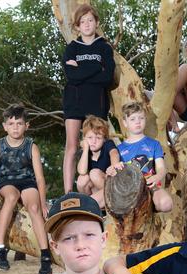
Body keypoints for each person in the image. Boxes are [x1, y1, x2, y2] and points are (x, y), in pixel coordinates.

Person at [0, 104, 52, 274]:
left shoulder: (31, 146)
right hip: (8, 182)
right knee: (11, 197)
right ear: (5, 126)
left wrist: (43, 204)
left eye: (19, 123)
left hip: (28, 182)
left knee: (34, 209)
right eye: (11, 124)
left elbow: (40, 178)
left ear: (26, 126)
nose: (15, 127)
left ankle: (45, 256)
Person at [62, 4, 116, 194]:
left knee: (99, 144)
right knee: (72, 146)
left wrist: (81, 69)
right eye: (82, 21)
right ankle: (68, 193)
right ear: (77, 26)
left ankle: (101, 187)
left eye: (90, 20)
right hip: (74, 102)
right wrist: (96, 67)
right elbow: (71, 76)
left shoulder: (104, 47)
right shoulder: (72, 48)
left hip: (97, 102)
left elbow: (107, 76)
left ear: (97, 23)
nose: (86, 24)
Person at [106, 102, 173, 212]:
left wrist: (157, 177)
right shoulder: (119, 149)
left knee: (166, 204)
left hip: (151, 186)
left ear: (145, 120)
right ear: (125, 123)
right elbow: (114, 170)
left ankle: (151, 205)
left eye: (141, 118)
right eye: (132, 119)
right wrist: (111, 170)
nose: (137, 121)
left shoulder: (154, 144)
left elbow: (161, 168)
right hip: (129, 189)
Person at [76, 115, 120, 208]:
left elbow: (114, 153)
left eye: (98, 138)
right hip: (98, 191)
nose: (94, 141)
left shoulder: (108, 144)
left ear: (104, 139)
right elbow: (82, 171)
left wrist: (114, 166)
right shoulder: (85, 152)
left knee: (94, 173)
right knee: (81, 180)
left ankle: (96, 203)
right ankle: (98, 206)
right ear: (84, 138)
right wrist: (85, 149)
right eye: (90, 137)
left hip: (111, 186)